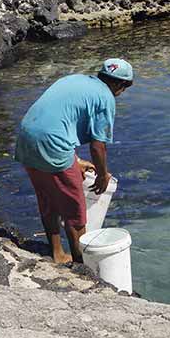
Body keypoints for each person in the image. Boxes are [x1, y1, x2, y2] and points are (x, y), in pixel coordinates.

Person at [14, 58, 134, 264]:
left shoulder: (74, 79)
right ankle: (80, 265)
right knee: (75, 211)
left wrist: (76, 160)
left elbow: (59, 120)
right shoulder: (105, 98)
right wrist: (103, 175)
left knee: (48, 199)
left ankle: (57, 253)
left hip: (26, 137)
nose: (121, 93)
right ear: (120, 85)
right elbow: (98, 146)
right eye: (125, 87)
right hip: (52, 144)